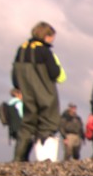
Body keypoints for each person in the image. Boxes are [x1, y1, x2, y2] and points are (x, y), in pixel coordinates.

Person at [11, 21, 66, 162]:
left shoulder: (22, 49)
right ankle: (45, 157)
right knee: (48, 122)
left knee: (28, 123)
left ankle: (19, 157)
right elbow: (54, 72)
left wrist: (18, 87)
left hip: (26, 92)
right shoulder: (44, 51)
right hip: (44, 92)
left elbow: (15, 72)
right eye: (52, 36)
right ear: (47, 36)